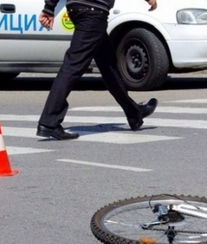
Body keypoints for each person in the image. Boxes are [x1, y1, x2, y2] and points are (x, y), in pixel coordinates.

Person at [37, 0, 158, 140]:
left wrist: (49, 7)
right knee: (72, 66)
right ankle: (49, 122)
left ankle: (133, 113)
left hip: (77, 9)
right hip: (93, 11)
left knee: (108, 64)